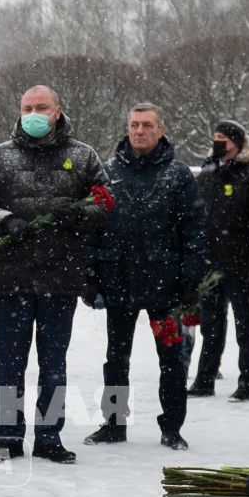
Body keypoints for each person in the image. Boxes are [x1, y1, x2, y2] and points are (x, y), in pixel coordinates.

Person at [0, 85, 110, 462]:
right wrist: (4, 220)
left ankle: (49, 437)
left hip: (60, 277)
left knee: (53, 364)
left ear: (57, 111)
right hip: (10, 277)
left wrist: (79, 214)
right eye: (27, 107)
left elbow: (106, 203)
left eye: (41, 107)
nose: (33, 113)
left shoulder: (82, 156)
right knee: (9, 363)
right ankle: (8, 437)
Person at [87, 103, 204, 449]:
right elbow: (92, 228)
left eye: (147, 125)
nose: (140, 131)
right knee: (115, 358)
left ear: (161, 130)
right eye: (134, 125)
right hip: (118, 280)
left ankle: (171, 427)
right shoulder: (107, 173)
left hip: (165, 286)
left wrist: (190, 278)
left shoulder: (178, 175)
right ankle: (113, 423)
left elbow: (195, 231)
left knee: (171, 358)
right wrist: (91, 276)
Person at [190, 119, 249, 402]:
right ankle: (205, 378)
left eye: (223, 138)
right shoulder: (207, 175)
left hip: (240, 265)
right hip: (210, 265)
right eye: (215, 137)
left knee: (244, 325)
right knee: (211, 325)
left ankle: (247, 381)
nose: (218, 142)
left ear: (237, 143)